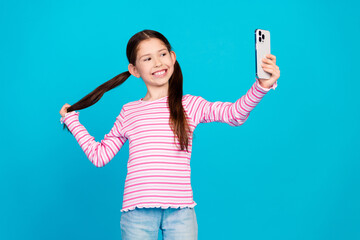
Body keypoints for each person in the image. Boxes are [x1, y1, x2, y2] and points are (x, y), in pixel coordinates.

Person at [59, 29, 280, 240]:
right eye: (147, 59)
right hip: (137, 213)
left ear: (172, 57)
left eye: (162, 54)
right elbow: (100, 156)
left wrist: (261, 86)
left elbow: (235, 114)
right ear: (134, 70)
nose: (158, 63)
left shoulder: (191, 105)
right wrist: (72, 121)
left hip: (181, 212)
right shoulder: (129, 111)